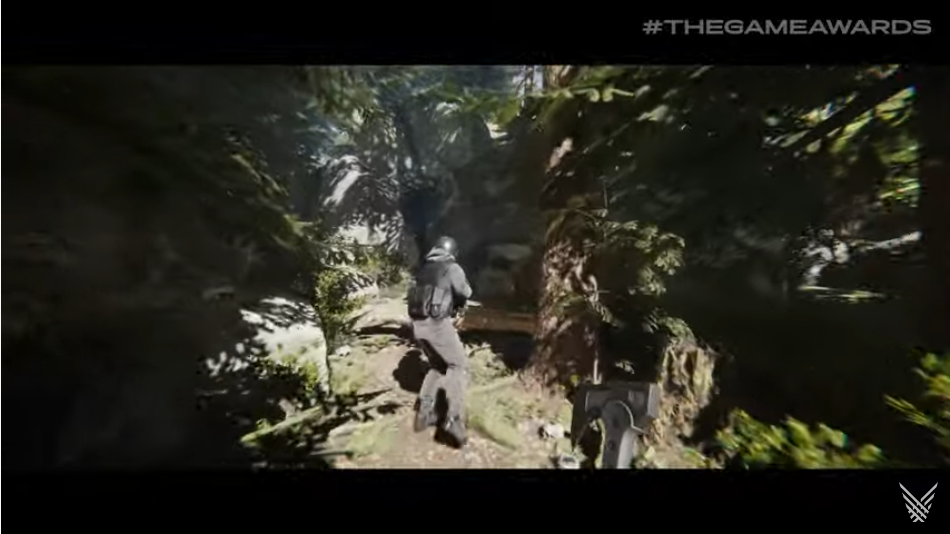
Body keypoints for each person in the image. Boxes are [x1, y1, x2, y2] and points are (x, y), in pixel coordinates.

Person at [407, 236, 472, 448]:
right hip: (437, 325)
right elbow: (465, 292)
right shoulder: (452, 267)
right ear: (452, 252)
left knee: (437, 367)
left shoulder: (423, 270)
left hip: (418, 326)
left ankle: (423, 414)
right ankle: (453, 419)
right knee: (458, 366)